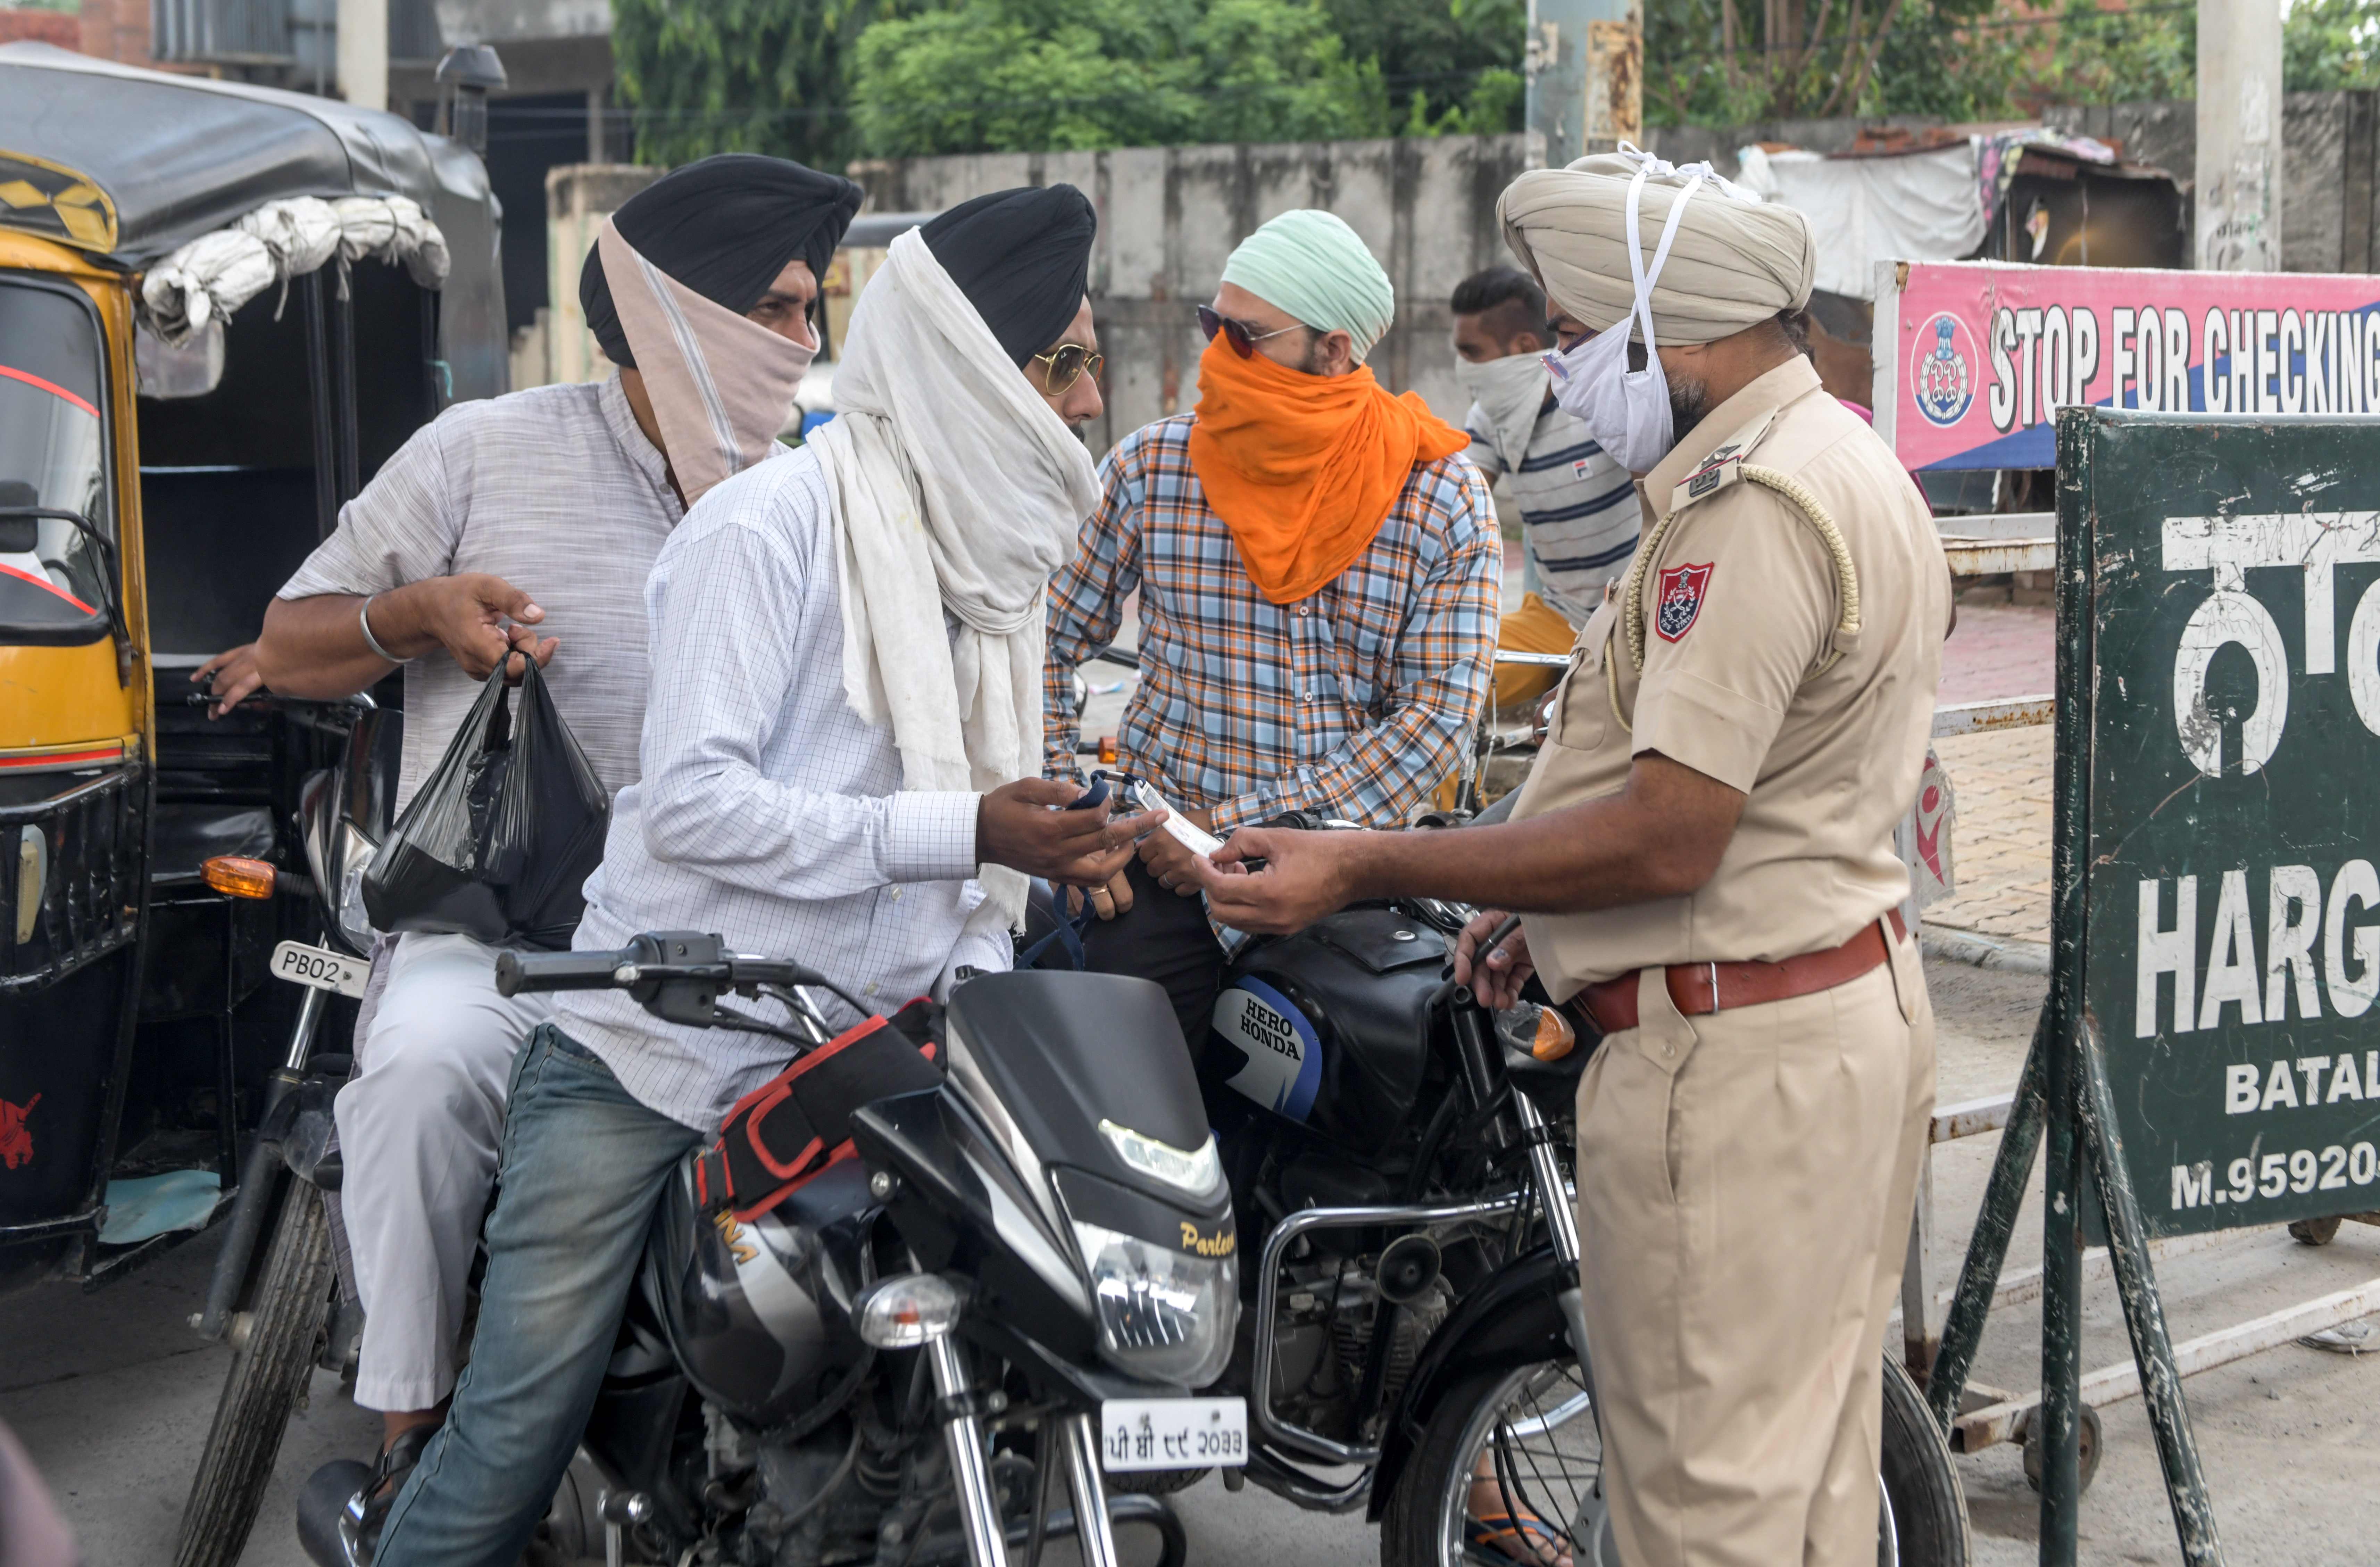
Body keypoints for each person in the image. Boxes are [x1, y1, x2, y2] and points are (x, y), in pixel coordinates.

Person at [367, 185, 1156, 1567]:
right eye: (1065, 363)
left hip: (865, 1062)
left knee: (948, 1394)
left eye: (1093, 365)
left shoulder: (994, 566)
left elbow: (972, 881)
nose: (1090, 404)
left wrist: (1046, 854)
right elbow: (692, 808)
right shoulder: (767, 531)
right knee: (508, 1442)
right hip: (652, 1058)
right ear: (977, 368)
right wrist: (969, 830)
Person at [1189, 151, 1950, 1567]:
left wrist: (1366, 866)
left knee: (1700, 1508)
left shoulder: (1750, 510)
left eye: (1574, 336)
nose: (1559, 367)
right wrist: (1543, 920)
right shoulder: (1842, 456)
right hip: (1826, 1012)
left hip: (1735, 1066)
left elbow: (1676, 825)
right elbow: (1770, 794)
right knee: (1809, 1486)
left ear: (1677, 336)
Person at [250, 154, 863, 1531]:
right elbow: (290, 642)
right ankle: (418, 1435)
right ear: (680, 315)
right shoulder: (483, 448)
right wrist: (421, 619)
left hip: (710, 941)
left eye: (812, 313)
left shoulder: (806, 497)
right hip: (504, 933)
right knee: (419, 1072)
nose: (803, 344)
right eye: (774, 311)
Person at [1042, 208, 1500, 1051]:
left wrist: (1232, 827)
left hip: (1341, 884)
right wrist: (1069, 822)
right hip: (1155, 873)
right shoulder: (1156, 468)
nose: (1219, 357)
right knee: (1123, 1116)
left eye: (1246, 338)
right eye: (1212, 327)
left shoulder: (1438, 496)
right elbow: (1042, 639)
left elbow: (1437, 718)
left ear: (1335, 351)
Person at [1451, 264, 1635, 629]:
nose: (1463, 368)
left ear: (1524, 347)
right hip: (1556, 618)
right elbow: (1460, 503)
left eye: (1472, 353)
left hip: (1629, 617)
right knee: (1469, 674)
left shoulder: (1595, 399)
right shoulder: (1488, 417)